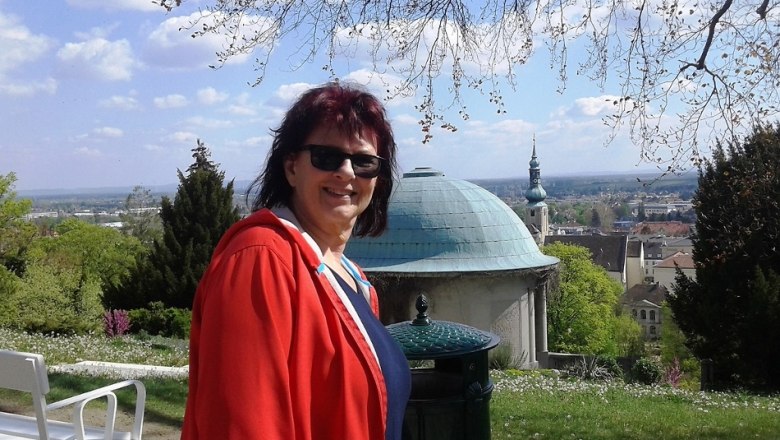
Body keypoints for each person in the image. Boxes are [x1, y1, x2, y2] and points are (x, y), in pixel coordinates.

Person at [181, 82, 411, 440]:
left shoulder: (351, 278)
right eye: (326, 157)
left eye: (364, 162)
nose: (347, 172)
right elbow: (243, 427)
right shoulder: (261, 259)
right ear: (291, 167)